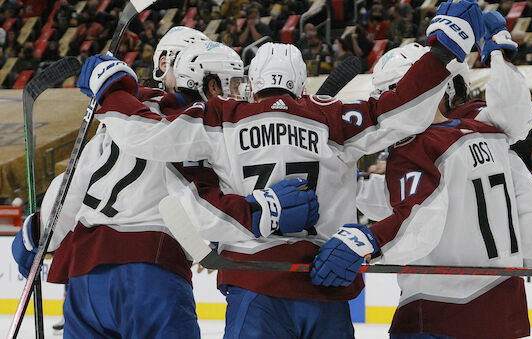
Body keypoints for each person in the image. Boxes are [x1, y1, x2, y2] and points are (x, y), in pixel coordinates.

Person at [78, 5, 483, 333]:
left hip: (253, 283)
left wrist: (110, 94)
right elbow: (401, 111)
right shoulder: (336, 117)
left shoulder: (221, 115)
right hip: (325, 284)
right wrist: (442, 54)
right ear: (302, 82)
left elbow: (151, 137)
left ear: (252, 82)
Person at [12, 32, 318, 337]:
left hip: (85, 280)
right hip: (149, 272)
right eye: (234, 83)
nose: (240, 94)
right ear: (212, 85)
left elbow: (73, 183)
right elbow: (199, 204)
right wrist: (261, 211)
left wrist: (39, 233)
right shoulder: (200, 126)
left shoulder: (125, 114)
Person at [316, 7, 532, 338]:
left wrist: (370, 240)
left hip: (437, 312)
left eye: (391, 96)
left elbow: (416, 221)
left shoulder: (416, 149)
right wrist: (511, 268)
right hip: (505, 311)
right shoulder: (491, 135)